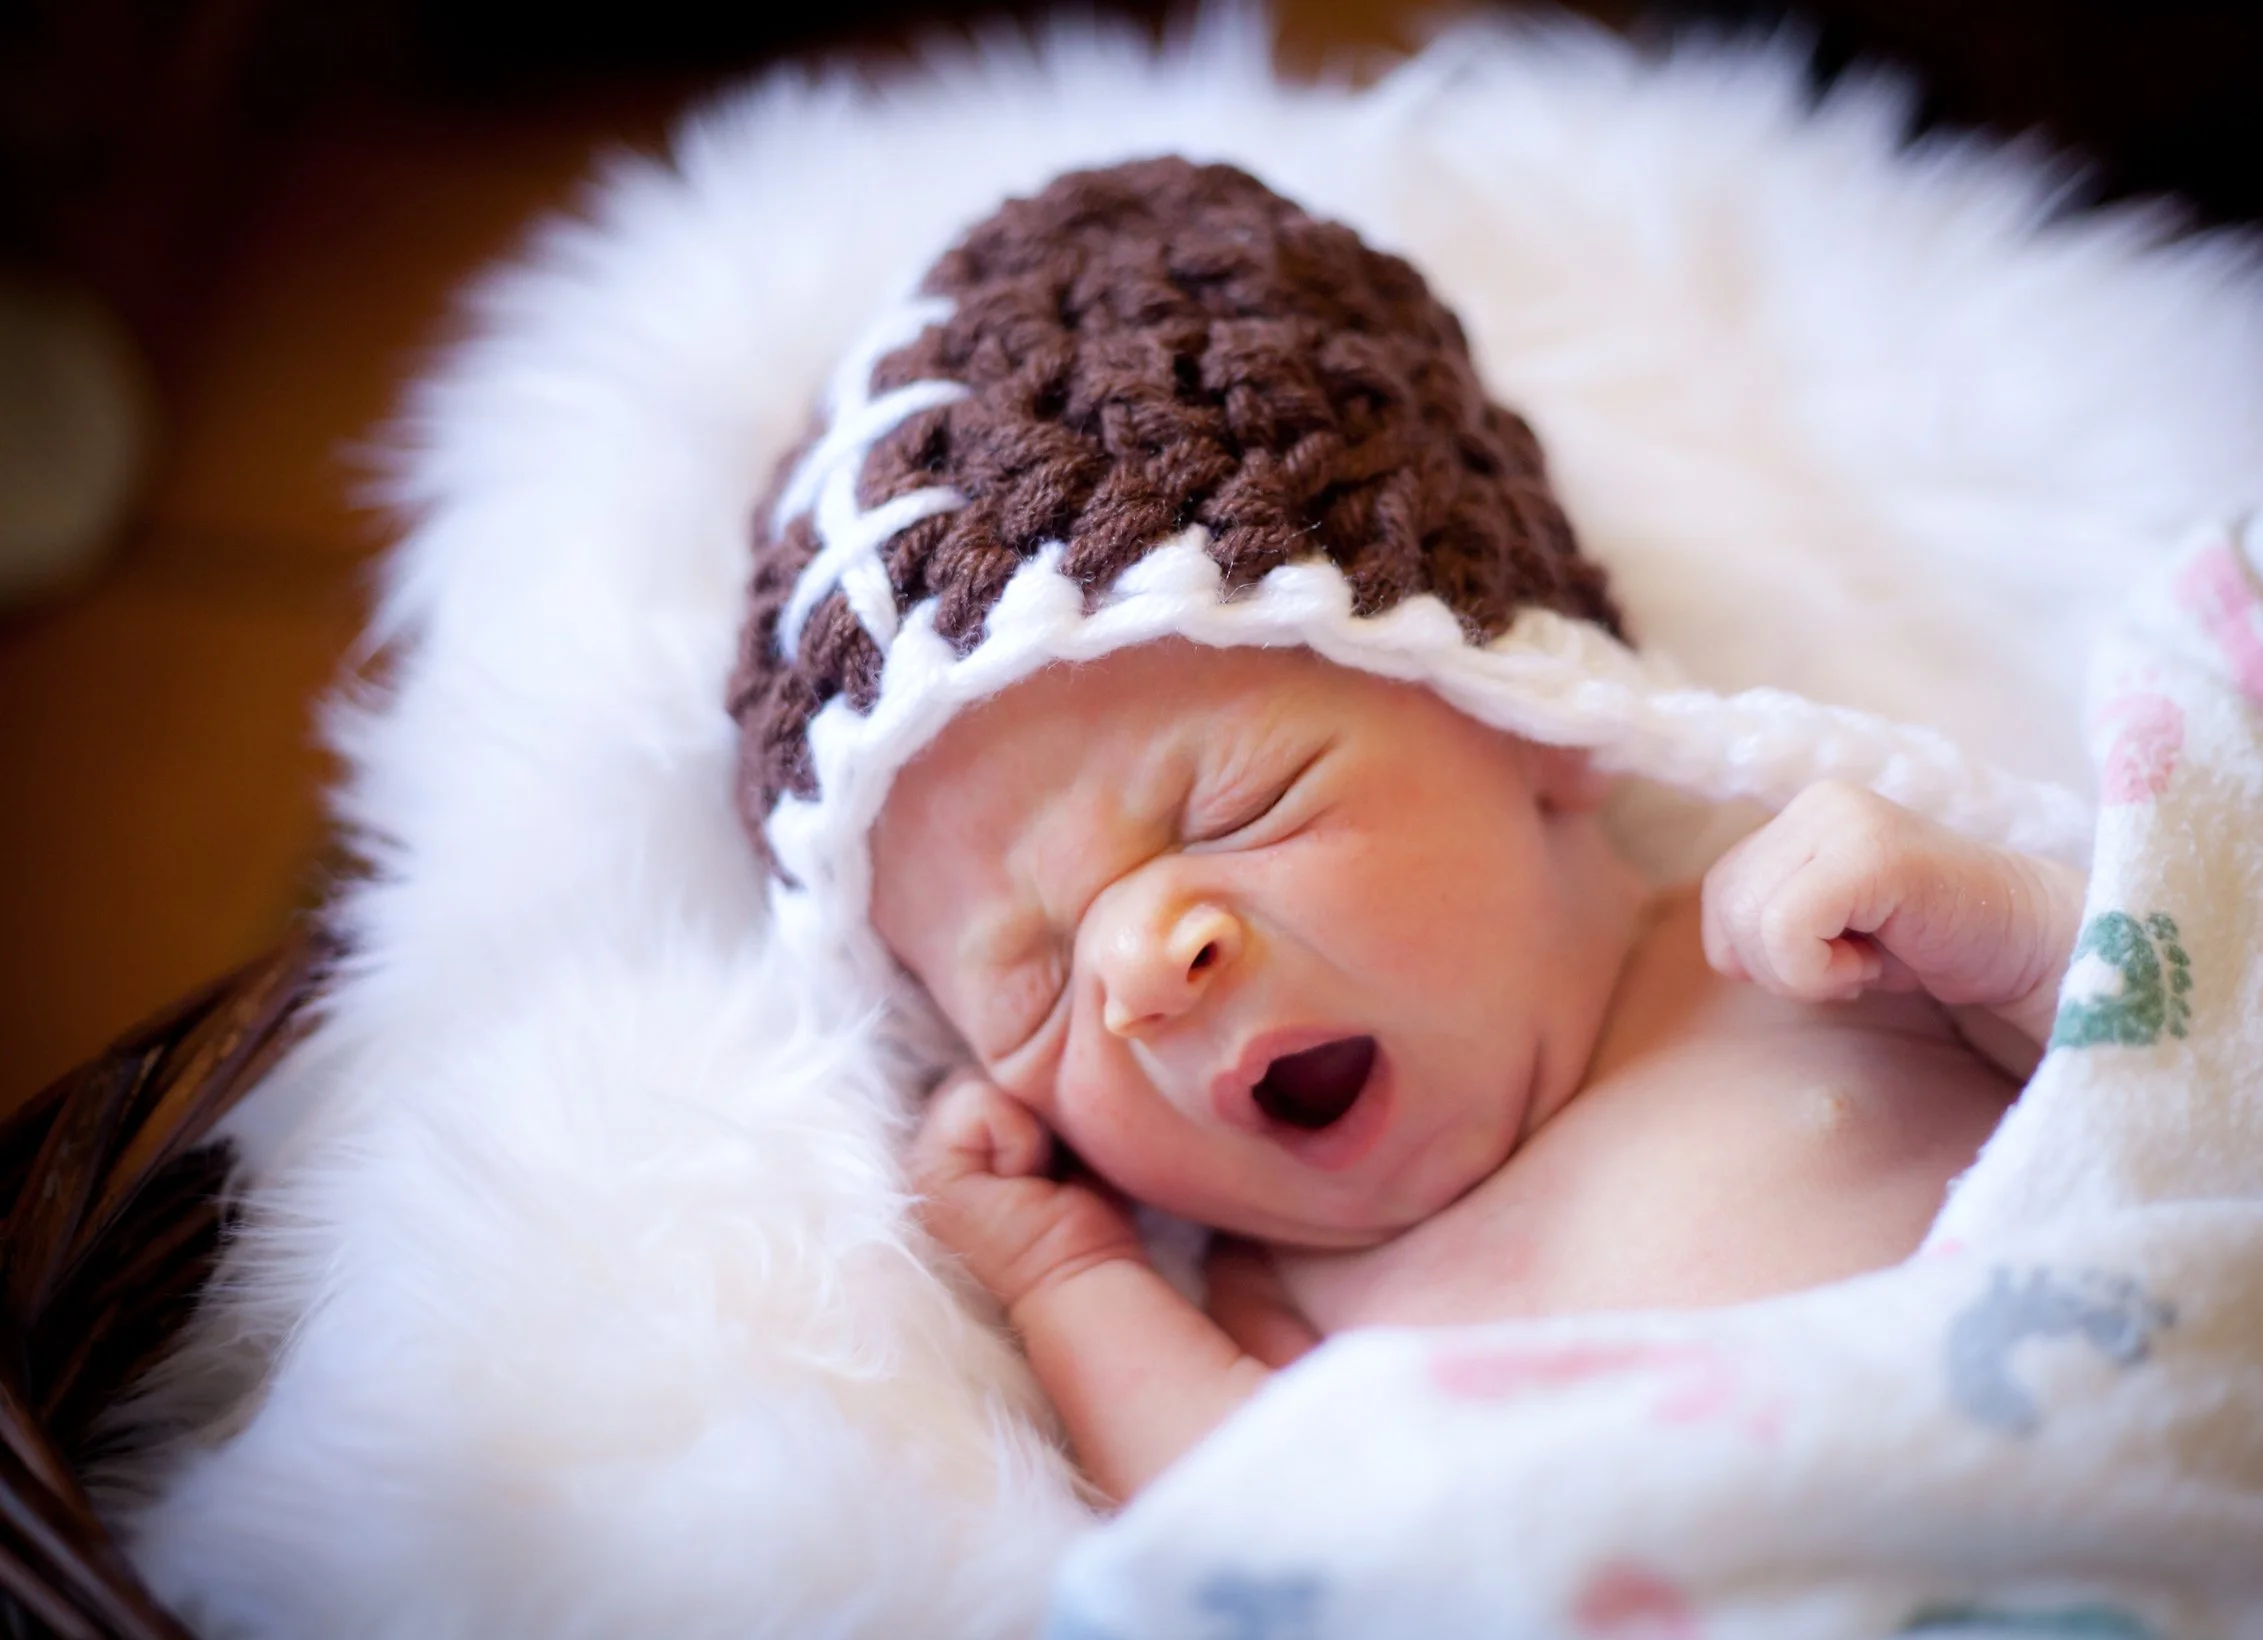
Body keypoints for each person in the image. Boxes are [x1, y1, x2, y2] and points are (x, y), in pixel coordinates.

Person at [725, 155, 2086, 1507]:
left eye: (1240, 804)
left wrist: (2012, 931)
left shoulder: (1819, 949)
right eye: (1029, 987)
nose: (1139, 965)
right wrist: (1066, 1276)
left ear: (1527, 715)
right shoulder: (1283, 1302)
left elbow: (2203, 1053)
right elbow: (1249, 1537)